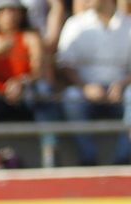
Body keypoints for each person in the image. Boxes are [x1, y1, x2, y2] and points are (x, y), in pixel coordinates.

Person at [0, 0, 58, 168]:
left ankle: (50, 153)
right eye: (3, 12)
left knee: (44, 90)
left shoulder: (31, 37)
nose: (9, 16)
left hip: (26, 96)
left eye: (13, 11)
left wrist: (21, 82)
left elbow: (40, 72)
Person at [55, 0, 131, 166]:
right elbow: (65, 64)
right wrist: (85, 87)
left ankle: (123, 158)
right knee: (71, 96)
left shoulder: (128, 24)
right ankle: (88, 157)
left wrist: (121, 84)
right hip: (85, 92)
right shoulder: (75, 24)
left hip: (120, 93)